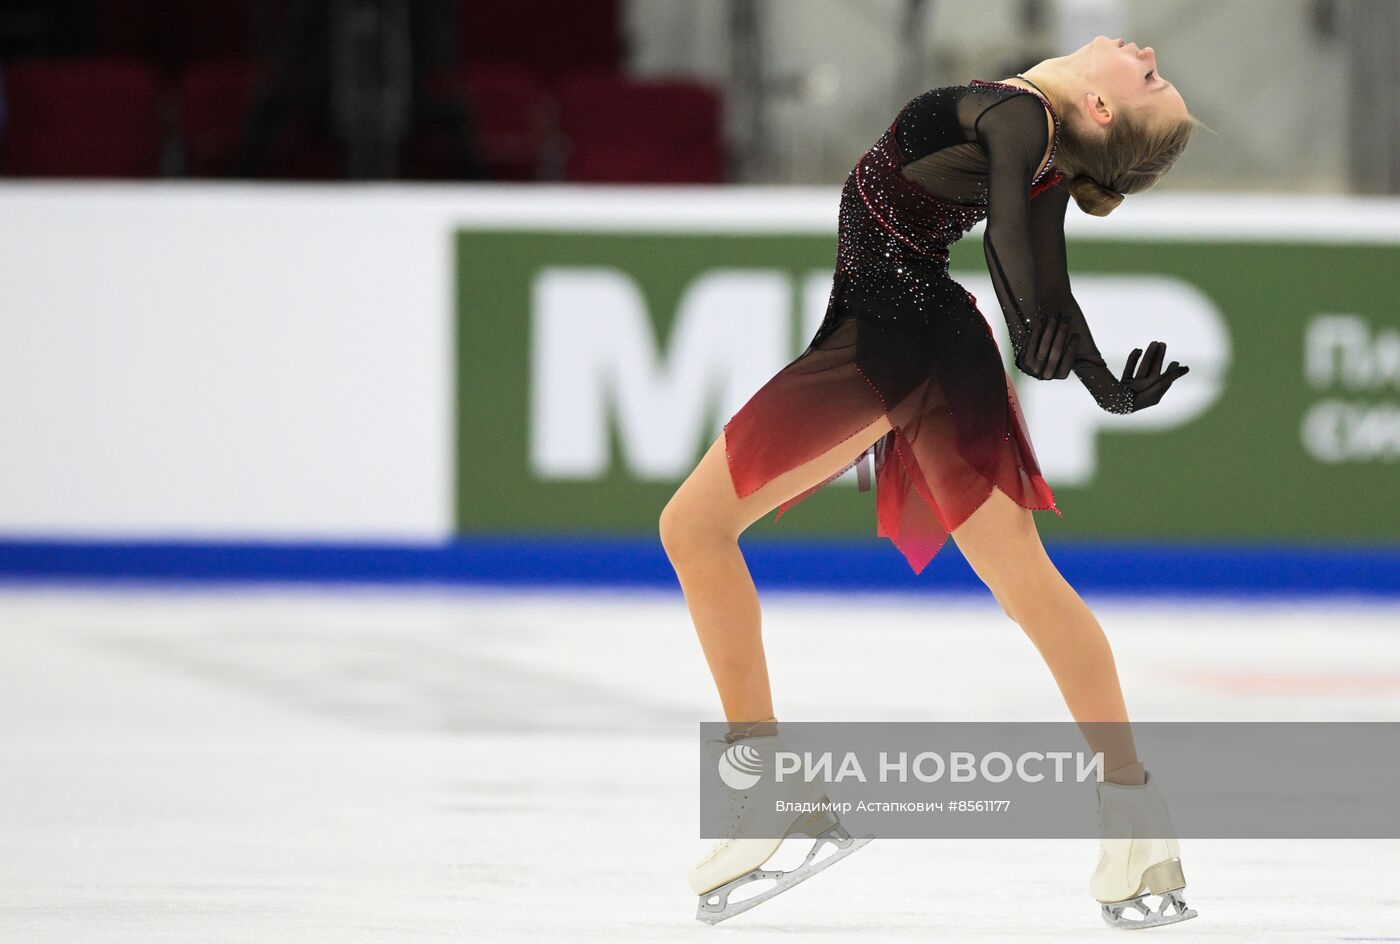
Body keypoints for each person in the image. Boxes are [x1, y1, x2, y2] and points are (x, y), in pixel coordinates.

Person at [660, 35, 1204, 929]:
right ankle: (1137, 822)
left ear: (1102, 109)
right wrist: (1100, 380)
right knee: (1027, 583)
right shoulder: (1035, 139)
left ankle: (766, 794)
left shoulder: (1020, 118)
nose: (1144, 50)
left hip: (891, 340)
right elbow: (1033, 270)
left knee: (692, 530)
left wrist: (1044, 336)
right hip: (933, 342)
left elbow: (1012, 253)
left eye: (1149, 77)